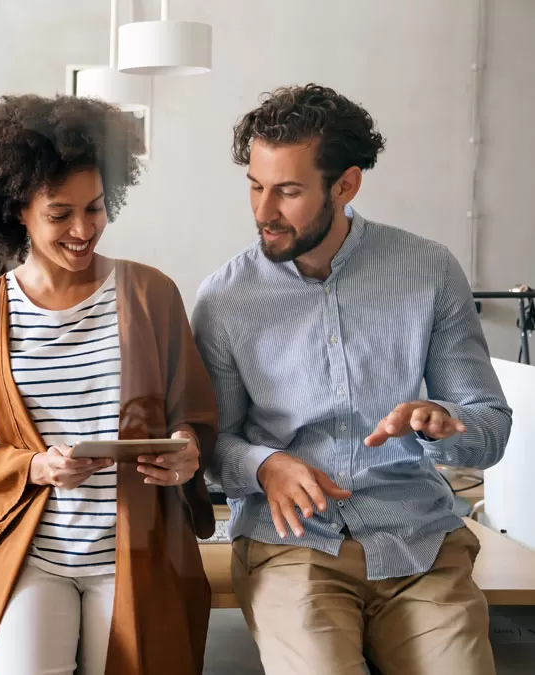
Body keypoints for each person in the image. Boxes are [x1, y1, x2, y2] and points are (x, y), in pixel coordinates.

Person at [192, 84, 512, 675]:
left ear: (346, 185)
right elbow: (211, 445)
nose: (264, 212)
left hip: (420, 544)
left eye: (288, 191)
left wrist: (443, 424)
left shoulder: (428, 270)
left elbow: (489, 428)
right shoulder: (224, 299)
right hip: (290, 548)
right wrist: (266, 465)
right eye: (256, 187)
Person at [0, 94, 218, 675]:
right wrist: (35, 467)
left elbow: (195, 415)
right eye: (60, 214)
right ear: (18, 211)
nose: (83, 229)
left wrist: (186, 452)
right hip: (32, 553)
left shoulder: (150, 295)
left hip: (135, 552)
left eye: (96, 207)